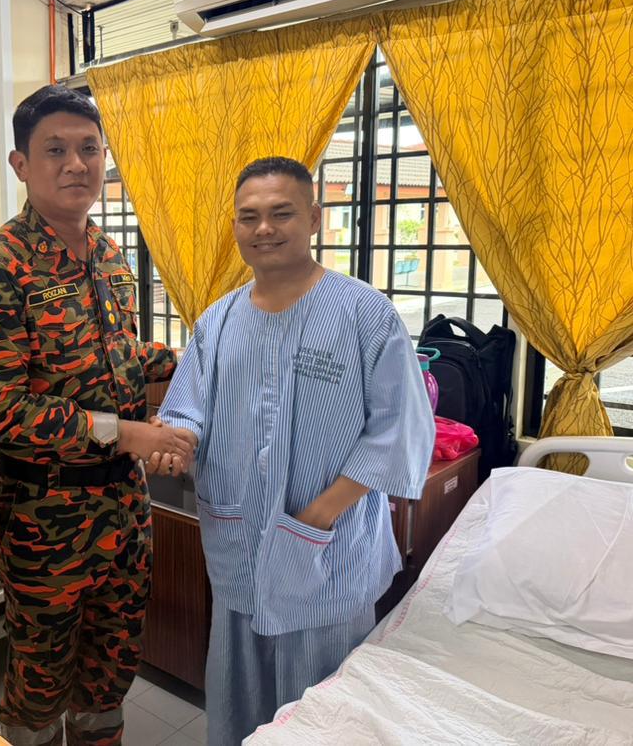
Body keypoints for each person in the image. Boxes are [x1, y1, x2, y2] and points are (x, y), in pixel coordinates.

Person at [157, 156, 435, 746]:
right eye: (248, 216)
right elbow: (185, 411)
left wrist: (315, 518)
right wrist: (174, 443)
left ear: (312, 218)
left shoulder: (364, 314)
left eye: (281, 213)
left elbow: (400, 431)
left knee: (322, 712)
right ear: (235, 227)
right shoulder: (216, 322)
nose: (264, 228)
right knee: (239, 699)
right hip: (239, 545)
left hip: (328, 554)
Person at [0, 85, 193, 746]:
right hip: (43, 516)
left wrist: (194, 361)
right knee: (41, 682)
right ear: (20, 164)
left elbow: (121, 355)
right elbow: (2, 412)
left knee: (112, 671)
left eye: (89, 148)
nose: (76, 164)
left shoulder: (111, 257)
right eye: (55, 150)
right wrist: (126, 433)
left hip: (124, 508)